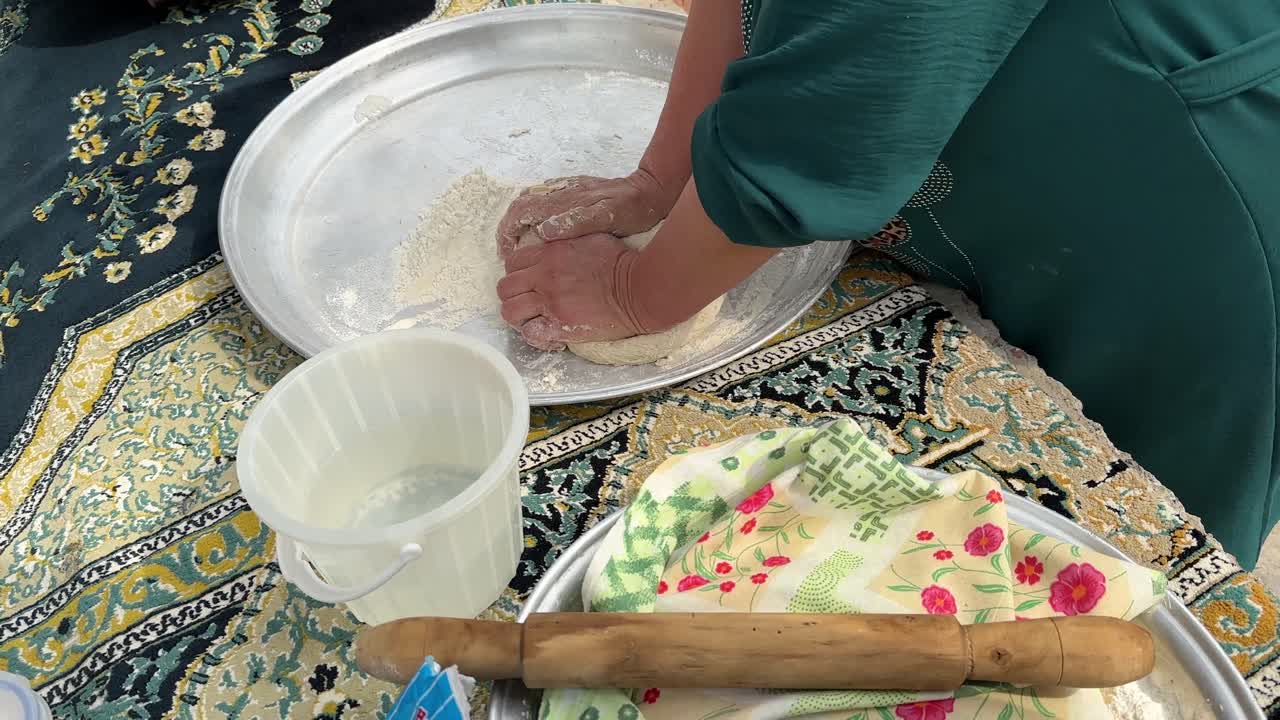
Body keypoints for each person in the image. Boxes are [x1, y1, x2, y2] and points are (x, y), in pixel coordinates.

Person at [494, 1, 1280, 568]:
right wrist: (664, 177)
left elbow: (863, 70)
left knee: (1127, 541)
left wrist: (640, 292)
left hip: (1173, 183)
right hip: (994, 142)